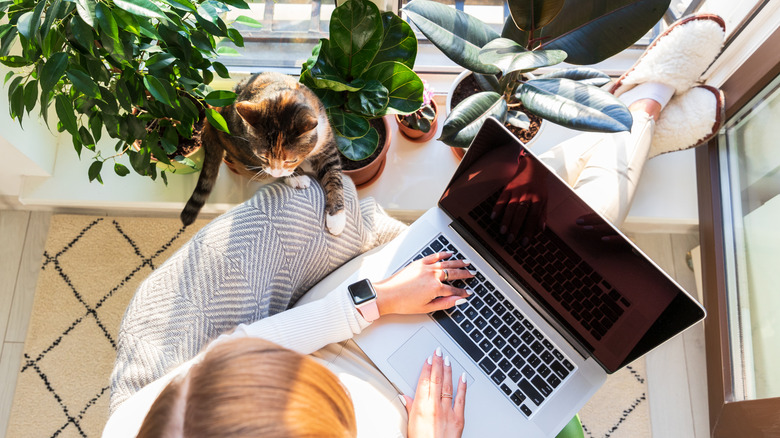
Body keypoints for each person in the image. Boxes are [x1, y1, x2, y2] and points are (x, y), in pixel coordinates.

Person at [103, 13, 726, 438]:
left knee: (514, 231)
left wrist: (374, 301)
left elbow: (237, 344)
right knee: (556, 264)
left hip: (348, 331)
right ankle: (636, 114)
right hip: (434, 413)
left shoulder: (156, 419)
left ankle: (635, 113)